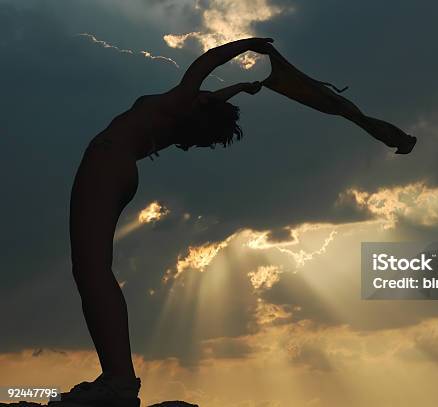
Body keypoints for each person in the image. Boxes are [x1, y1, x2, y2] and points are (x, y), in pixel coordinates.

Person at [54, 37, 275, 407]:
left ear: (199, 105)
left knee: (91, 270)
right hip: (122, 171)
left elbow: (208, 61)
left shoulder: (181, 101)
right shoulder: (181, 117)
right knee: (94, 269)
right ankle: (117, 377)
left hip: (106, 165)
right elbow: (215, 100)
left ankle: (119, 382)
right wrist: (242, 88)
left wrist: (250, 45)